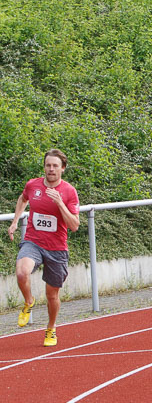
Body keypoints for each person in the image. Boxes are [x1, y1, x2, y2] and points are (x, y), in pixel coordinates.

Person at [6, 149, 80, 347]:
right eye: (48, 165)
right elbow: (23, 199)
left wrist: (59, 203)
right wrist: (14, 222)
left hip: (57, 248)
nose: (51, 169)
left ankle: (51, 328)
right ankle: (28, 302)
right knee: (22, 272)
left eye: (55, 166)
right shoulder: (33, 185)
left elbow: (74, 225)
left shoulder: (69, 192)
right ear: (44, 167)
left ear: (62, 168)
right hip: (33, 241)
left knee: (52, 295)